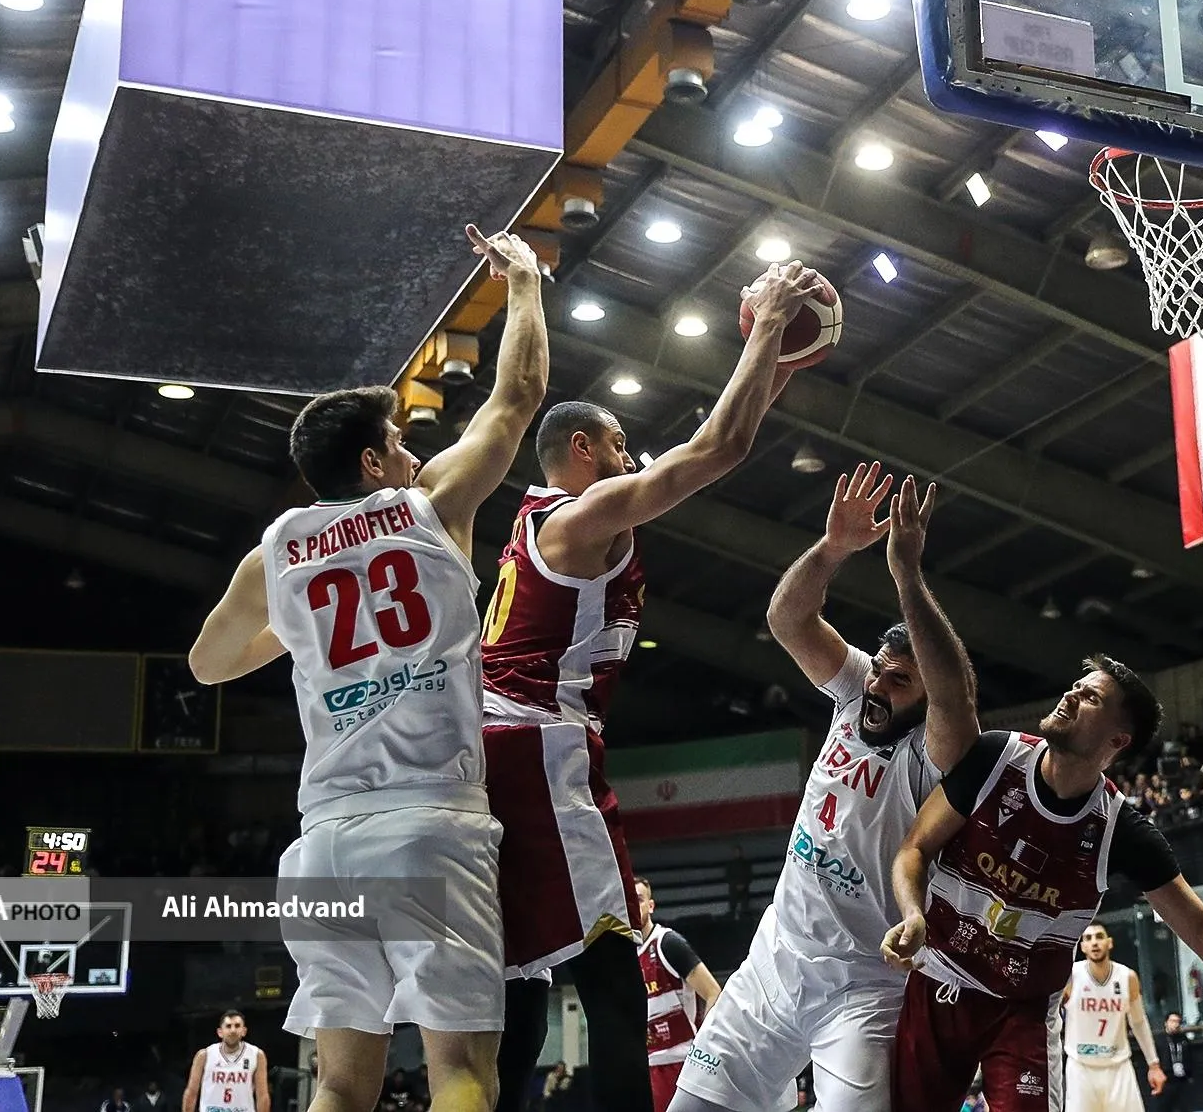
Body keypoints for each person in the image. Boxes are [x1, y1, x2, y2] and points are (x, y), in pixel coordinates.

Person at [190, 229, 548, 1112]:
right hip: (429, 823)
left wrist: (301, 628)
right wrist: (525, 283)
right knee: (462, 1073)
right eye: (400, 440)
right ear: (372, 462)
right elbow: (518, 395)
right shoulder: (433, 506)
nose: (412, 453)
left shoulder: (273, 553)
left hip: (323, 843)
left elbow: (207, 662)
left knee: (342, 1085)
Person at [479, 260, 821, 1112]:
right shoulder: (579, 518)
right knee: (612, 971)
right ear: (584, 450)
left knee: (523, 974)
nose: (632, 459)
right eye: (621, 445)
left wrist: (776, 362)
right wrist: (768, 325)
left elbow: (723, 440)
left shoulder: (545, 520)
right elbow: (718, 449)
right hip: (538, 743)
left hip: (503, 743)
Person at [673, 469, 982, 1112]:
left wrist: (907, 576)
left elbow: (956, 695)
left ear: (926, 697)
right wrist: (833, 549)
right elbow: (787, 618)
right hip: (776, 958)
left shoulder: (935, 753)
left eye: (899, 682)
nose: (879, 686)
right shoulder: (855, 691)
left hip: (865, 985)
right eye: (880, 672)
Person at [881, 659, 1203, 1112]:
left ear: (1117, 740)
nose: (1070, 695)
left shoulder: (1122, 831)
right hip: (941, 979)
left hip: (1023, 1010)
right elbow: (914, 848)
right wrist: (912, 912)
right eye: (1076, 685)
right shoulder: (994, 756)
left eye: (1090, 697)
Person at [635, 878, 720, 1112]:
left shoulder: (667, 943)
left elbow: (713, 992)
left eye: (639, 899)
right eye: (629, 901)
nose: (634, 906)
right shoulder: (624, 956)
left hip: (681, 1063)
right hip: (646, 1066)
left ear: (651, 905)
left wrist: (704, 1045)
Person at [1061, 922, 1163, 1112]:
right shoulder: (1070, 976)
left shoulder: (1127, 977)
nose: (1094, 942)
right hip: (1081, 1068)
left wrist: (1154, 1064)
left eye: (1099, 937)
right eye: (1088, 938)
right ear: (1082, 947)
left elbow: (1139, 1022)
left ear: (1110, 942)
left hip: (1119, 1067)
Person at [183, 1010, 270, 1112]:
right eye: (228, 1026)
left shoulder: (256, 1055)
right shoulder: (204, 1055)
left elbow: (262, 1096)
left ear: (244, 1031)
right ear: (220, 1032)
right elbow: (191, 1092)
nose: (233, 1030)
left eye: (237, 1026)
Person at [1154, 1015, 1195, 1112]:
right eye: (1172, 1021)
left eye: (1178, 1022)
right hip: (1166, 1079)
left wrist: (1189, 1075)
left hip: (1182, 1078)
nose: (1175, 1024)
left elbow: (1190, 1057)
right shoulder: (1159, 1040)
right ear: (1166, 1023)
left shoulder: (1183, 1039)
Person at [726, 846, 752, 920]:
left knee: (745, 907)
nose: (738, 853)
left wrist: (743, 884)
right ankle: (732, 920)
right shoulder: (730, 864)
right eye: (736, 852)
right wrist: (735, 885)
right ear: (734, 853)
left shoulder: (746, 864)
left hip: (744, 888)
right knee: (733, 906)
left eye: (739, 852)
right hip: (733, 888)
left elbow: (749, 875)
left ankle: (745, 920)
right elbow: (728, 877)